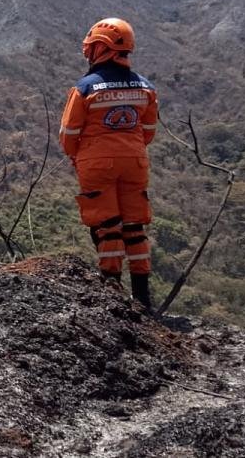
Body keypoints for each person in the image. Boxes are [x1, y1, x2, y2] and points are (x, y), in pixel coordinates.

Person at [59, 18, 159, 309]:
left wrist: (78, 157)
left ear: (101, 48)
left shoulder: (86, 87)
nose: (88, 53)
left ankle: (112, 291)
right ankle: (142, 296)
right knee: (135, 226)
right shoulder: (145, 87)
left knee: (108, 227)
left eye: (91, 47)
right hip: (136, 162)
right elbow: (149, 130)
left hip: (96, 163)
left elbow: (69, 134)